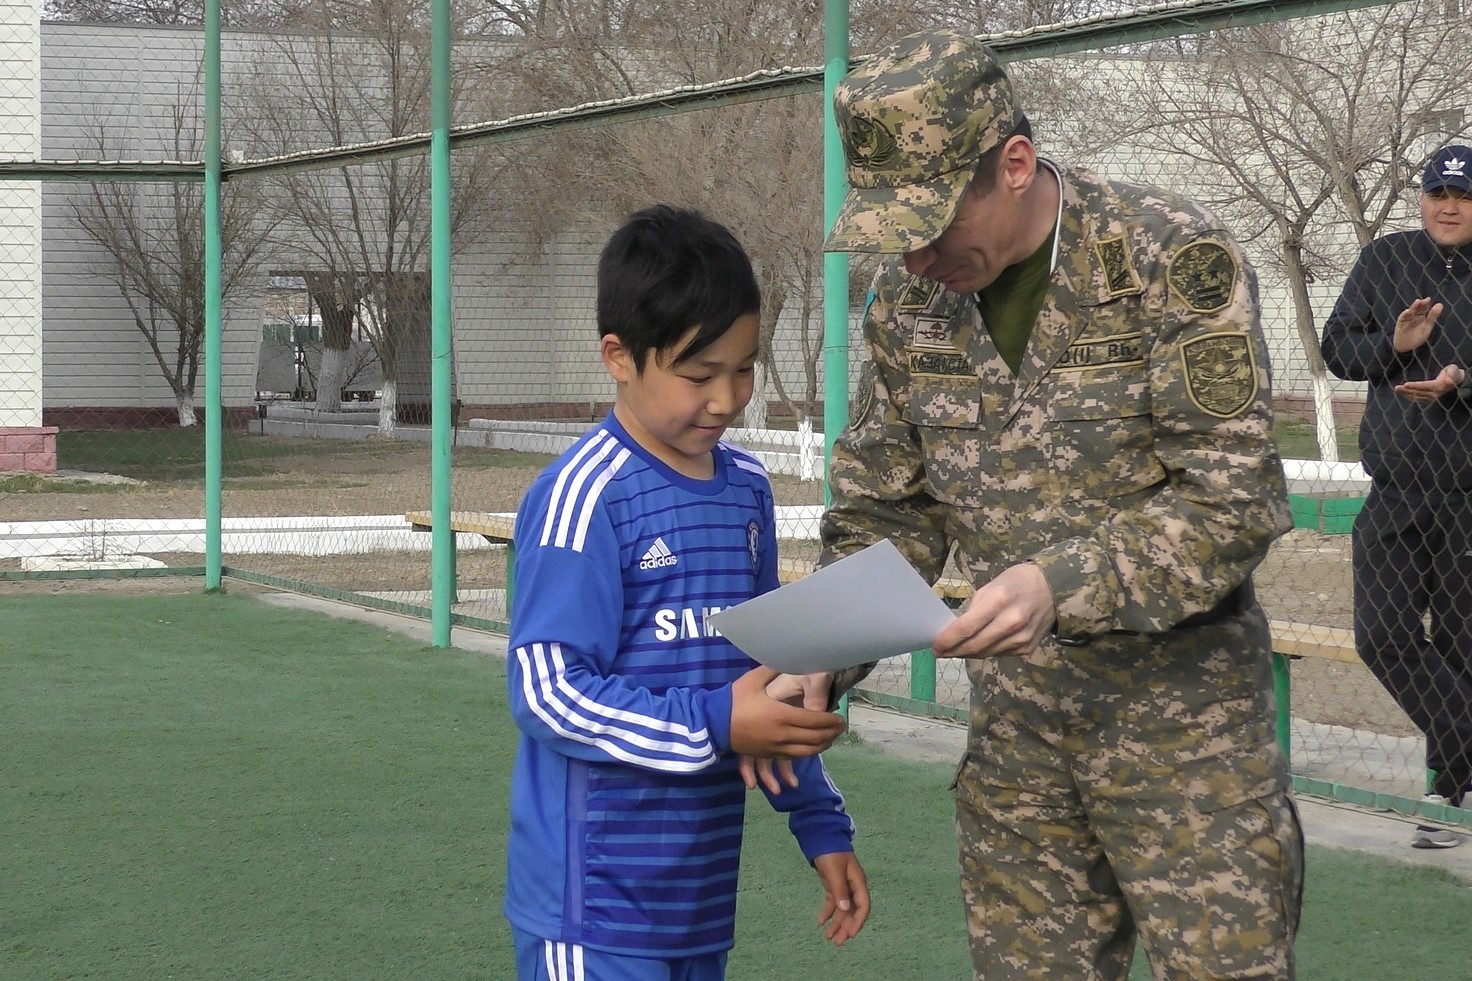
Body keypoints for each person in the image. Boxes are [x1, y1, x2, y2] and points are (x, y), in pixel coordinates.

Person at [811, 29, 1304, 979]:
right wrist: (822, 651)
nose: (914, 254)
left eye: (931, 220)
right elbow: (886, 512)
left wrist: (1059, 582)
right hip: (1020, 752)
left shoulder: (1168, 255)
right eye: (892, 228)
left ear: (1015, 164)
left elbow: (1233, 496)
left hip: (1189, 746)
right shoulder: (908, 306)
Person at [502, 204, 870, 980]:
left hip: (698, 904)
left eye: (745, 368)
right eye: (699, 374)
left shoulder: (747, 490)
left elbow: (767, 678)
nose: (727, 397)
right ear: (619, 356)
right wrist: (713, 721)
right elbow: (547, 690)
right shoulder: (584, 496)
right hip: (592, 907)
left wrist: (818, 819)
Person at [1320, 143, 1472, 850]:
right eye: (1439, 193)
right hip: (1396, 490)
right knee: (1382, 635)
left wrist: (1459, 383)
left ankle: (1448, 800)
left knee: (1463, 646)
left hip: (1467, 497)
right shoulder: (1385, 259)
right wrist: (1395, 344)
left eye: (1464, 196)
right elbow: (1339, 349)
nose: (1450, 206)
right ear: (1422, 197)